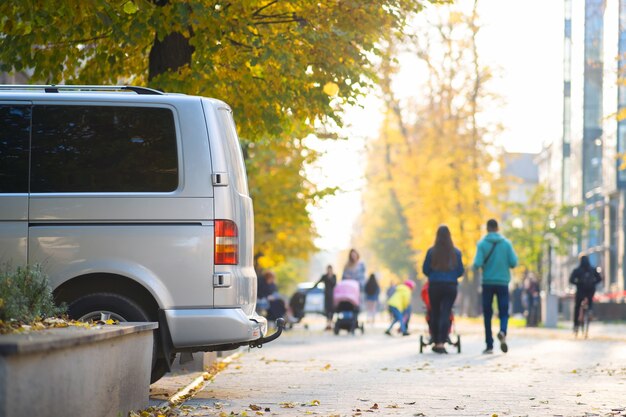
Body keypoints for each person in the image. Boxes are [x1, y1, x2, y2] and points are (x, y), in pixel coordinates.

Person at [473, 219, 518, 354]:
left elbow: (476, 264)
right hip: (503, 283)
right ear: (498, 228)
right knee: (503, 311)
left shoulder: (482, 244)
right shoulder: (506, 244)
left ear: (487, 229)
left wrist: (485, 266)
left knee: (487, 313)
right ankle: (503, 331)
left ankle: (489, 345)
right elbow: (514, 262)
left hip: (487, 283)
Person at [422, 225, 464, 354]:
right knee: (446, 312)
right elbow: (460, 271)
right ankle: (442, 341)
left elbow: (425, 270)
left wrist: (435, 275)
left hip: (435, 285)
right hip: (450, 286)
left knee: (435, 312)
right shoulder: (456, 253)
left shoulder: (431, 252)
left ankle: (436, 341)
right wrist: (450, 276)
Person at [569, 255, 602, 333]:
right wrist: (593, 283)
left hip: (580, 291)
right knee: (590, 300)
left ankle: (576, 325)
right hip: (590, 291)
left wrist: (578, 283)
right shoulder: (593, 269)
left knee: (577, 307)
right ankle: (590, 310)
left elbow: (571, 280)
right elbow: (599, 279)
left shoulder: (577, 270)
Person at [313, 265, 337, 330]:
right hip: (326, 295)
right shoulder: (324, 276)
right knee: (327, 309)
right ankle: (327, 324)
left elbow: (334, 284)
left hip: (332, 295)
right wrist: (312, 288)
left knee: (332, 310)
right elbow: (318, 282)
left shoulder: (334, 276)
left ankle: (330, 324)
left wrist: (330, 278)